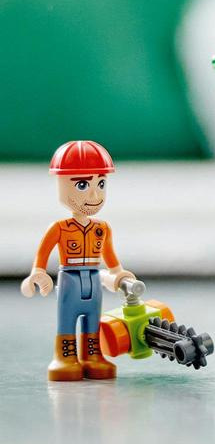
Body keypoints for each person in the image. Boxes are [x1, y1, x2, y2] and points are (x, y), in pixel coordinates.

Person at [21, 141, 136, 381]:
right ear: (61, 185)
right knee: (67, 318)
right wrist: (38, 273)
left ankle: (92, 354)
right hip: (70, 279)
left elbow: (111, 259)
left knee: (93, 320)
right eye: (82, 185)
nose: (95, 195)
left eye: (101, 184)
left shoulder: (102, 228)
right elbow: (42, 254)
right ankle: (65, 356)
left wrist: (119, 273)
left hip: (93, 279)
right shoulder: (59, 228)